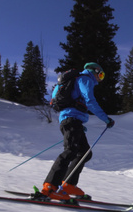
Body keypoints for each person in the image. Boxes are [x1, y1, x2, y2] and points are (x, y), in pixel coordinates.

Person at [41, 62, 115, 203]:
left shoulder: (79, 80)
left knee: (85, 152)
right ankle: (50, 187)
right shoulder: (85, 79)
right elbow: (90, 101)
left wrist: (79, 124)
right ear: (94, 71)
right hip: (71, 120)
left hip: (73, 120)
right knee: (70, 151)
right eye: (101, 74)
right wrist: (106, 119)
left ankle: (68, 184)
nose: (101, 78)